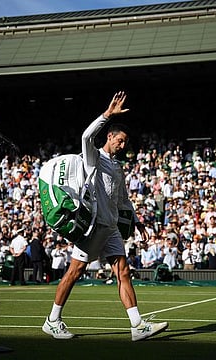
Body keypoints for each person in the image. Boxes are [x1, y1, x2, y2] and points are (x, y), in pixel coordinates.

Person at [42, 91, 168, 341]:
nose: (123, 146)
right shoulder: (93, 158)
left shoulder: (118, 167)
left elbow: (122, 200)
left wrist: (137, 221)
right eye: (120, 140)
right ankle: (52, 320)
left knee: (123, 272)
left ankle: (137, 326)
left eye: (125, 142)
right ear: (109, 136)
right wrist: (107, 115)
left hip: (110, 228)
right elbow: (86, 136)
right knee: (74, 272)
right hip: (93, 227)